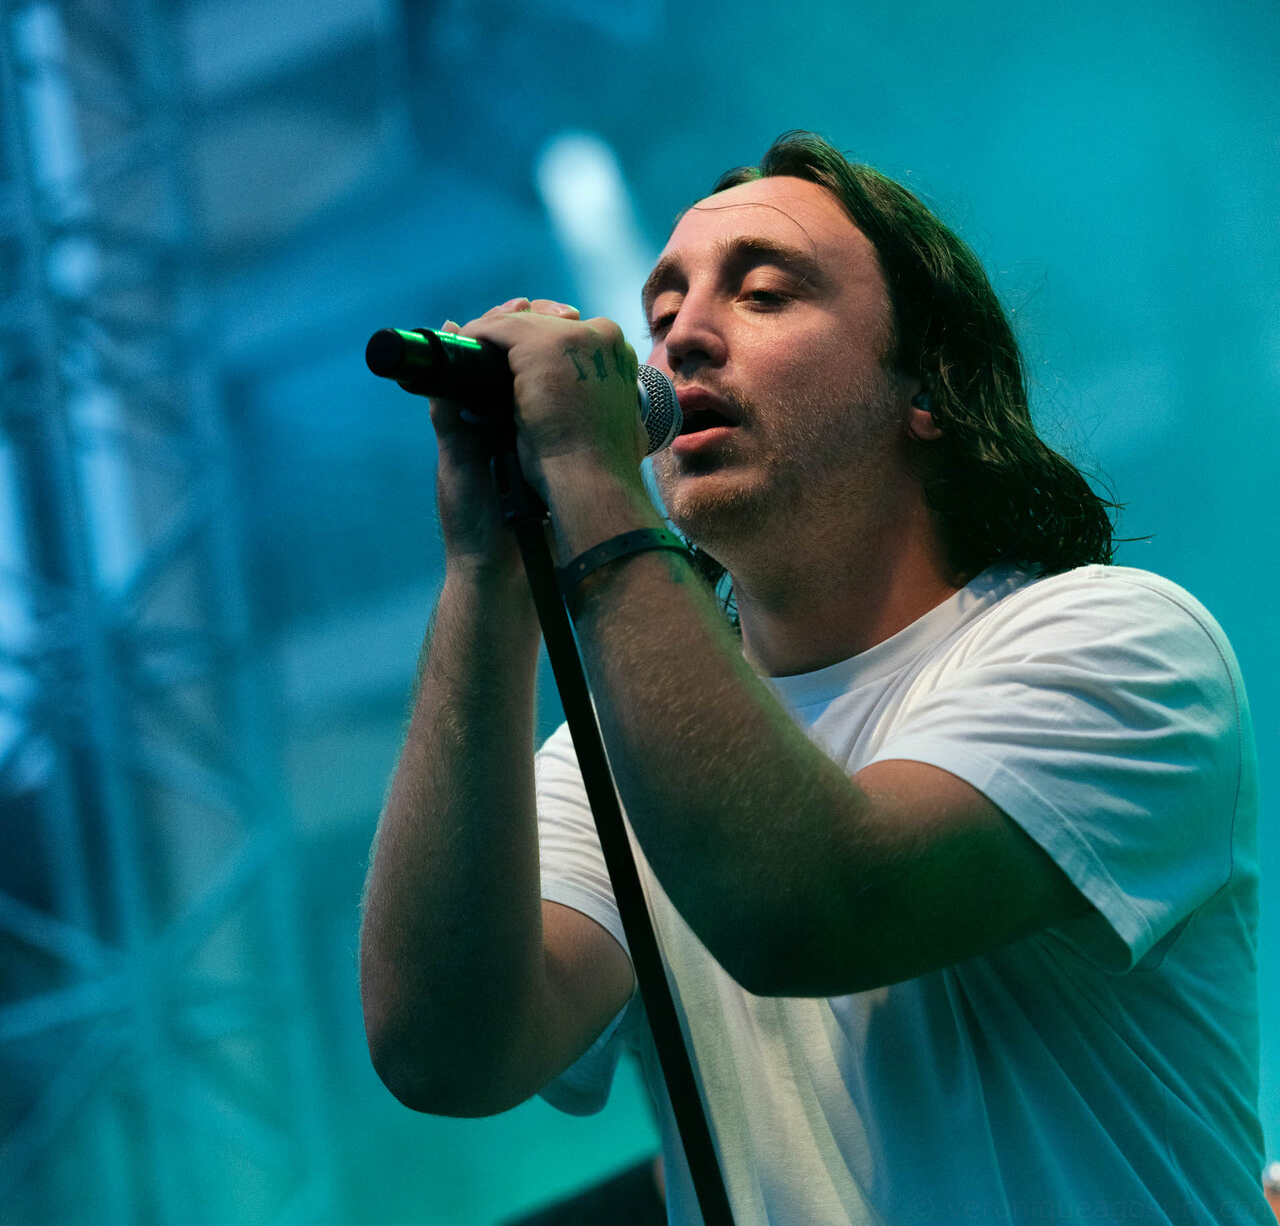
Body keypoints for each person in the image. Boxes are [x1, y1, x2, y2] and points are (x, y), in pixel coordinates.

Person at [359, 132, 1269, 1224]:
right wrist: (486, 566)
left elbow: (816, 910)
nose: (680, 338)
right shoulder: (616, 753)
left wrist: (595, 483)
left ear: (926, 388)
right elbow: (445, 1051)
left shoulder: (1118, 640)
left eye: (762, 293)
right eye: (660, 312)